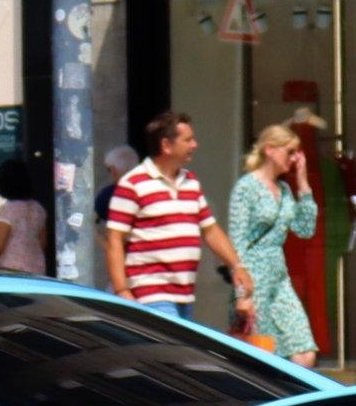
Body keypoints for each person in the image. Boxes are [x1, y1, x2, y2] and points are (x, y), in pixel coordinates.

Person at [103, 112, 252, 321]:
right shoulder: (132, 184)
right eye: (188, 139)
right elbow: (115, 241)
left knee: (168, 353)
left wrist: (236, 266)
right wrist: (122, 291)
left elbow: (210, 230)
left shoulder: (191, 181)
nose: (195, 144)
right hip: (151, 293)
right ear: (166, 145)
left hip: (185, 294)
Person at [228, 124, 320, 368]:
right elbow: (236, 242)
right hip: (253, 278)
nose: (294, 158)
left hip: (279, 278)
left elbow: (305, 228)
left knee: (304, 352)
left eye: (297, 153)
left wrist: (303, 184)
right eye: (289, 152)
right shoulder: (246, 188)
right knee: (262, 355)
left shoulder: (285, 189)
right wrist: (242, 295)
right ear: (270, 150)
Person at [0, 159, 49, 276]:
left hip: (11, 272)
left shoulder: (8, 210)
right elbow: (43, 242)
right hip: (36, 270)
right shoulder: (38, 208)